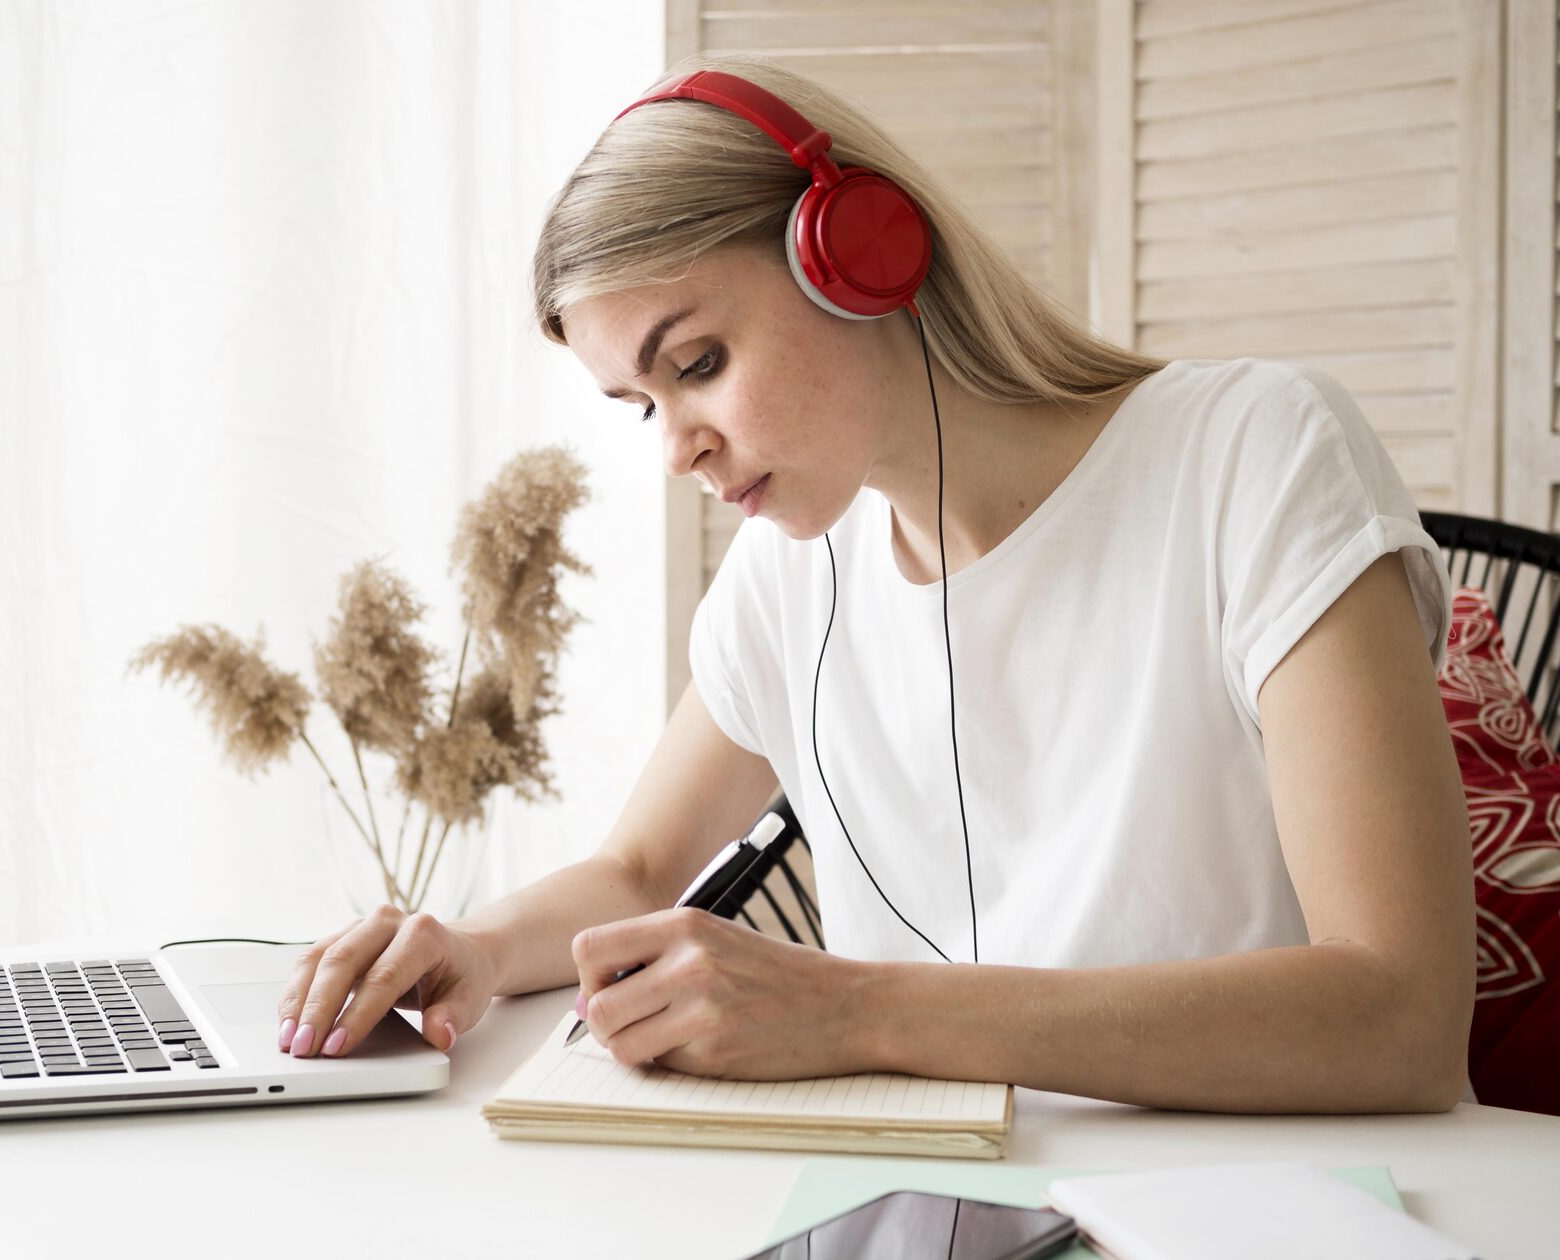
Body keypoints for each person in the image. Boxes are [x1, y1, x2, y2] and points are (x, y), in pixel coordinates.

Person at [274, 53, 1476, 1113]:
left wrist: (851, 1014)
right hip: (927, 1208)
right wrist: (471, 949)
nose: (677, 445)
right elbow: (640, 868)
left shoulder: (1254, 453)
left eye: (697, 362)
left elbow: (1402, 1016)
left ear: (860, 256)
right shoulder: (789, 575)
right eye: (644, 405)